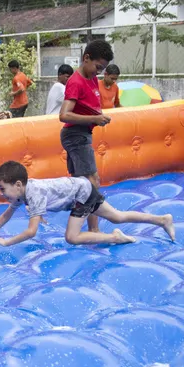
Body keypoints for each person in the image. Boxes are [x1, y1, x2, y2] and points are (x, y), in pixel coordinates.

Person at [0, 161, 175, 248]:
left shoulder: (34, 193)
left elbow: (31, 232)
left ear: (19, 184)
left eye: (2, 189)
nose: (0, 193)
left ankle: (115, 237)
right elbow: (6, 215)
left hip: (81, 194)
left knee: (72, 237)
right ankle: (162, 219)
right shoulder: (22, 194)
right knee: (117, 216)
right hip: (82, 188)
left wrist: (7, 242)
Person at [58, 39, 115, 235]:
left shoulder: (91, 78)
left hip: (81, 134)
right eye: (98, 67)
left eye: (103, 69)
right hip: (75, 135)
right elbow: (63, 115)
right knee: (92, 181)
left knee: (82, 184)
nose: (98, 72)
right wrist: (95, 118)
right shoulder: (76, 81)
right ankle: (94, 229)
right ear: (86, 58)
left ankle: (86, 227)